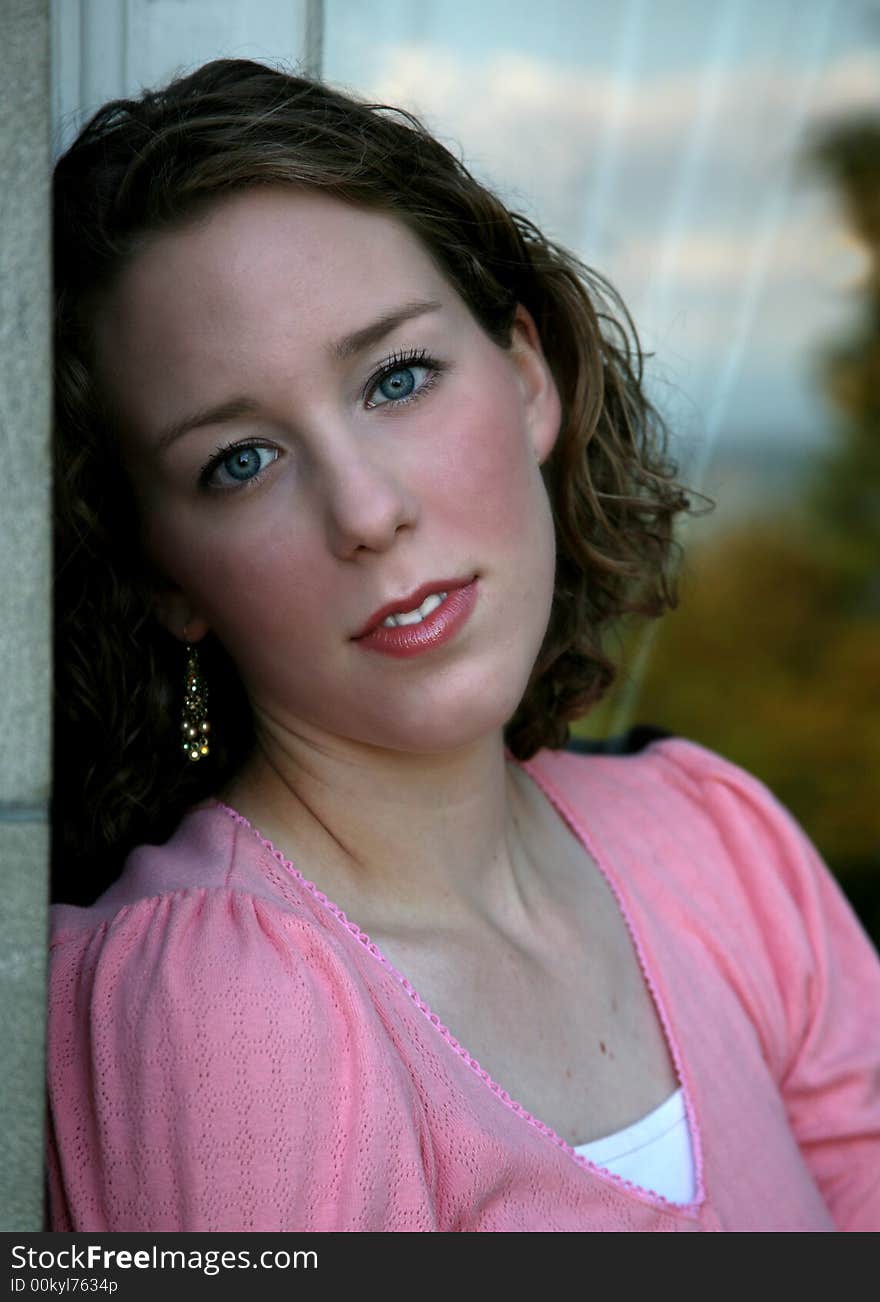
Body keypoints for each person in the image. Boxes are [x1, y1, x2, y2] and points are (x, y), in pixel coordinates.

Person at [47, 58, 880, 1233]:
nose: (366, 510)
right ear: (165, 577)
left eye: (397, 377)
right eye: (239, 459)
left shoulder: (720, 850)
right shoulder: (223, 1007)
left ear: (527, 377)